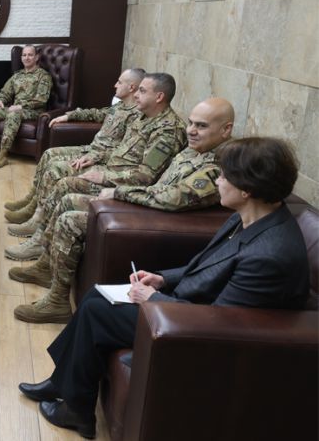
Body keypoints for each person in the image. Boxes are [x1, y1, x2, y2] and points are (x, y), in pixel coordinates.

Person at [18, 137, 309, 439]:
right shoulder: (249, 217)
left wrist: (154, 299)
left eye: (224, 176)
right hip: (188, 305)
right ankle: (62, 382)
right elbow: (205, 265)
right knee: (97, 294)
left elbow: (221, 323)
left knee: (96, 311)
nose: (217, 182)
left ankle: (77, 411)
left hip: (196, 331)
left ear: (246, 189)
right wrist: (162, 279)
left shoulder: (270, 256)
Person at [12, 98, 235, 323]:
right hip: (146, 204)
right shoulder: (195, 150)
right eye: (191, 123)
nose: (191, 131)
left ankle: (57, 302)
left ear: (226, 129)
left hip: (155, 221)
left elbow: (173, 197)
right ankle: (46, 265)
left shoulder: (221, 165)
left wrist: (119, 192)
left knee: (70, 220)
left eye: (201, 126)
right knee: (68, 199)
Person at [5, 73, 186, 261]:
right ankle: (38, 224)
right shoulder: (144, 117)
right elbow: (120, 150)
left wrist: (104, 176)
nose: (136, 95)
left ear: (159, 97)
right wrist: (98, 158)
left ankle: (41, 242)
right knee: (53, 162)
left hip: (123, 185)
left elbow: (146, 176)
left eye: (142, 90)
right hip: (109, 168)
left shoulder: (167, 131)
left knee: (63, 183)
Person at [5, 68, 146, 232]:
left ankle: (39, 218)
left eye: (120, 82)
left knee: (55, 168)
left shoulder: (137, 116)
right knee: (48, 154)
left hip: (100, 158)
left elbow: (125, 150)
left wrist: (96, 157)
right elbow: (96, 113)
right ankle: (33, 201)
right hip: (90, 150)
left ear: (131, 87)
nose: (115, 85)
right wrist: (69, 116)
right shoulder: (120, 106)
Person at [0, 45, 52, 168]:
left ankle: (3, 154)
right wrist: (1, 101)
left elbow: (41, 100)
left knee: (13, 114)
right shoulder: (17, 75)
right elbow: (6, 91)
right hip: (16, 109)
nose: (27, 58)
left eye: (30, 55)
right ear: (21, 58)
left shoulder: (43, 76)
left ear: (36, 57)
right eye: (24, 55)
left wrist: (20, 106)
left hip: (34, 111)